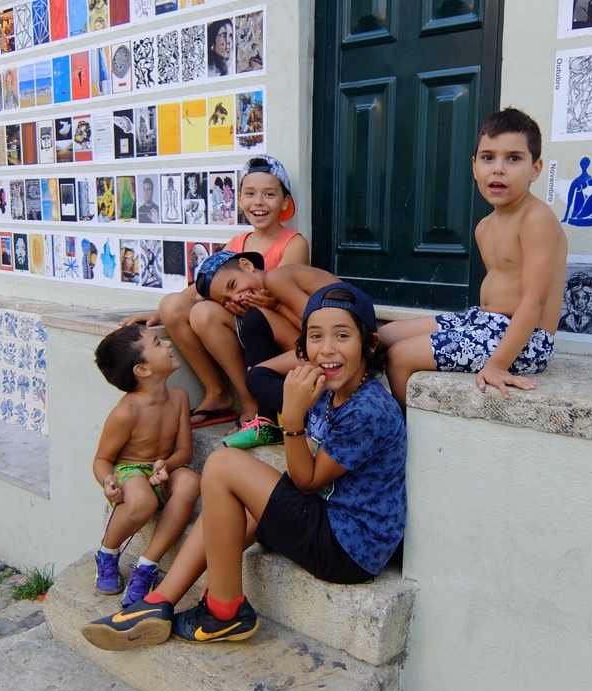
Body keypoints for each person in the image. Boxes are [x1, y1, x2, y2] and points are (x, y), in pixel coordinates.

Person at [81, 284, 407, 650]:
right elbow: (301, 481)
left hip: (351, 547)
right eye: (315, 336)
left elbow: (307, 481)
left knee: (222, 466)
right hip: (328, 515)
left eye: (342, 335)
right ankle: (156, 604)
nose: (327, 348)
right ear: (303, 347)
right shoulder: (329, 386)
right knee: (226, 499)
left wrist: (293, 415)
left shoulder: (368, 409)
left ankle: (225, 610)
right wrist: (225, 557)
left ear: (370, 344)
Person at [381, 108, 568, 407]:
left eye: (514, 158)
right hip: (481, 320)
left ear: (535, 169)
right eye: (488, 157)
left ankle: (401, 433)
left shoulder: (536, 218)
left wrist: (498, 363)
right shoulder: (485, 227)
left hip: (527, 340)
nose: (498, 169)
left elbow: (535, 301)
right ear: (474, 166)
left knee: (400, 355)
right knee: (385, 335)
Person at [120, 156, 308, 429]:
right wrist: (158, 311)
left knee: (205, 312)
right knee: (173, 305)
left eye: (270, 194)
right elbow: (209, 283)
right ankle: (218, 393)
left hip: (272, 326)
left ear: (284, 202)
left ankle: (251, 402)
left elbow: (284, 290)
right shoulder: (238, 242)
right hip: (241, 318)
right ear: (240, 199)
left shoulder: (294, 243)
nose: (259, 202)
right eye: (250, 194)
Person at [91, 325, 202, 608]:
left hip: (162, 471)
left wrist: (169, 464)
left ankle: (147, 566)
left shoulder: (178, 397)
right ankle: (107, 551)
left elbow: (184, 451)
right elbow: (102, 459)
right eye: (157, 343)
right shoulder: (126, 412)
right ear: (142, 370)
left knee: (190, 481)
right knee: (143, 499)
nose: (166, 343)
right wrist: (108, 482)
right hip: (131, 471)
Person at [192, 253, 338, 448]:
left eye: (233, 285)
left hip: (340, 346)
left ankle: (320, 420)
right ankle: (267, 422)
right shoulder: (268, 293)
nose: (236, 298)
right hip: (321, 343)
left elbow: (320, 330)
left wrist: (277, 306)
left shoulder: (276, 278)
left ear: (247, 265)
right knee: (255, 320)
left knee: (257, 375)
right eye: (226, 301)